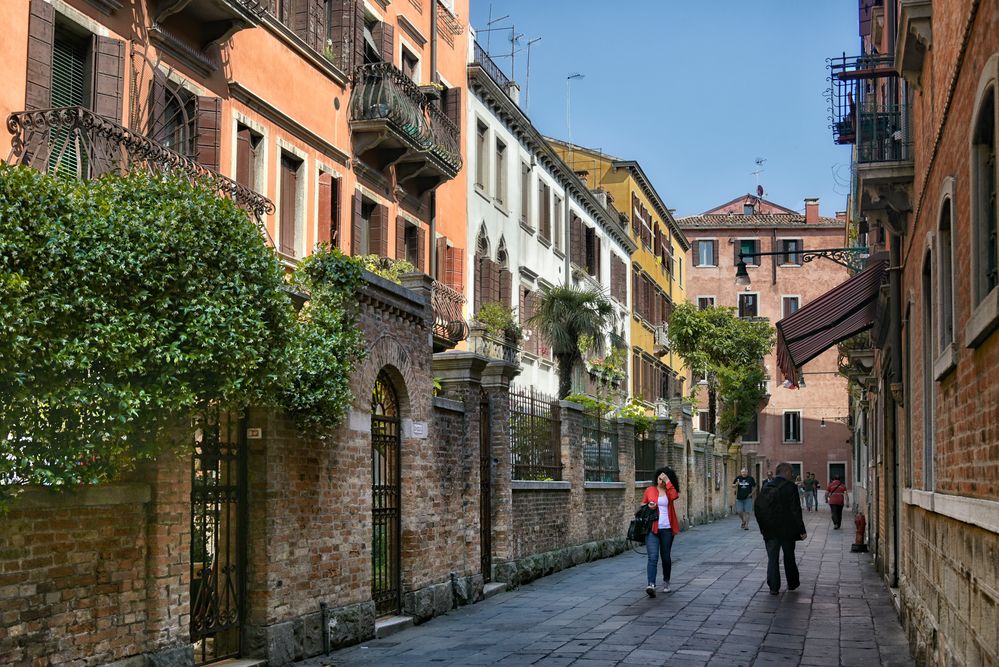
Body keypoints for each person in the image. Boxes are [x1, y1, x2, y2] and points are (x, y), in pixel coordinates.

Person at [754, 462, 806, 595]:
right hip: (787, 530)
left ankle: (773, 587)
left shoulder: (766, 486)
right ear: (787, 472)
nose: (793, 475)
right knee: (789, 556)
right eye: (792, 473)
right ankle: (792, 583)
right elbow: (795, 510)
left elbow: (759, 509)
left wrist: (763, 528)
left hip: (769, 529)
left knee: (773, 558)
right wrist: (801, 530)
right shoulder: (791, 487)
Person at [641, 466, 680, 597]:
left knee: (666, 557)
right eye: (659, 478)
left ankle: (666, 581)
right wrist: (648, 506)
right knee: (652, 557)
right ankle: (651, 584)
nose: (660, 481)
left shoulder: (670, 491)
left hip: (667, 529)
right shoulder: (650, 490)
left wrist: (668, 482)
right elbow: (642, 506)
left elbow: (675, 496)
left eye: (663, 479)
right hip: (652, 528)